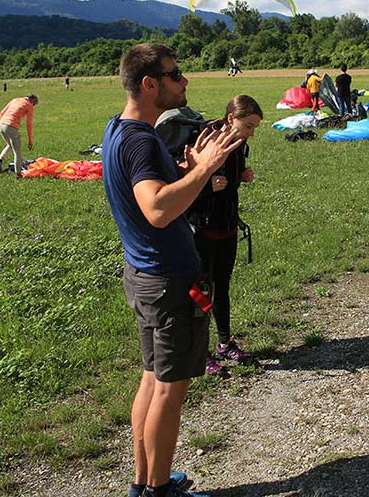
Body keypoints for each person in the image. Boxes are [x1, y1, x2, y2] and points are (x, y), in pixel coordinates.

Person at [101, 43, 240, 497]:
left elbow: (154, 190)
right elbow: (157, 209)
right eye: (175, 74)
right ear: (150, 84)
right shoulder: (142, 140)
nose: (184, 81)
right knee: (169, 391)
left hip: (144, 274)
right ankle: (160, 490)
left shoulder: (118, 130)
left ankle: (144, 483)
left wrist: (185, 167)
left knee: (151, 380)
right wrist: (205, 170)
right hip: (168, 282)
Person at [187, 95, 262, 376]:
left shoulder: (239, 145)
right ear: (231, 119)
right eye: (249, 125)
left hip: (227, 226)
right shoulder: (206, 143)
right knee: (201, 292)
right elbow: (182, 184)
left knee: (223, 287)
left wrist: (242, 175)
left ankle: (224, 342)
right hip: (202, 228)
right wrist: (207, 186)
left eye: (254, 127)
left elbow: (229, 181)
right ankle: (200, 352)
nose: (251, 132)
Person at [0, 94, 38, 178]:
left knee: (10, 145)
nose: (33, 106)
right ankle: (18, 174)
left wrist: (4, 122)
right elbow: (29, 124)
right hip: (10, 126)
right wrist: (30, 140)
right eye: (34, 104)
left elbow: (2, 112)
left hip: (1, 124)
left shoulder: (15, 100)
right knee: (17, 151)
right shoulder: (29, 105)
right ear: (33, 101)